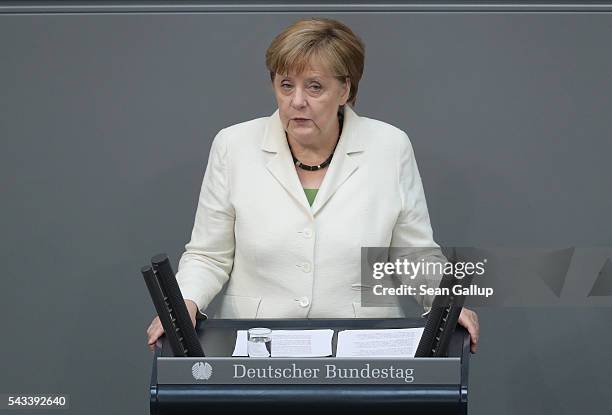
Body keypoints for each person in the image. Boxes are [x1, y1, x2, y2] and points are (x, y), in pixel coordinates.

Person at [147, 17, 479, 353]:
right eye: (286, 85)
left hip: (361, 345)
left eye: (315, 87)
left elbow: (412, 253)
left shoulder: (389, 147)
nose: (297, 101)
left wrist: (446, 305)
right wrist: (184, 302)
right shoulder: (233, 146)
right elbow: (208, 255)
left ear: (345, 90)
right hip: (257, 346)